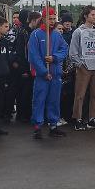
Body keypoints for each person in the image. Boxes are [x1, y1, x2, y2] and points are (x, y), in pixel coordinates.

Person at [28, 8, 68, 139]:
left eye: (53, 19)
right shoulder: (35, 35)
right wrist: (44, 71)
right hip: (42, 76)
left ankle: (53, 126)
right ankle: (37, 127)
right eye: (49, 19)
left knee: (54, 101)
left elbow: (64, 49)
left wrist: (54, 57)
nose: (52, 21)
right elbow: (33, 56)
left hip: (55, 74)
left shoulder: (57, 35)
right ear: (43, 19)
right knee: (39, 100)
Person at [69, 7, 95, 130]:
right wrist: (80, 64)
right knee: (80, 94)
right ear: (85, 16)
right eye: (93, 15)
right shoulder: (78, 31)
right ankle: (78, 119)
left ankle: (92, 118)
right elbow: (73, 51)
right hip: (84, 66)